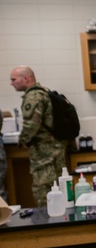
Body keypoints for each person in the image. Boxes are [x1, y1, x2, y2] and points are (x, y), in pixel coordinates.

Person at [10, 66, 68, 206]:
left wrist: (22, 141)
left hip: (44, 152)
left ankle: (48, 224)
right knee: (58, 189)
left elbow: (31, 125)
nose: (11, 83)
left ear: (25, 78)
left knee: (44, 191)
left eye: (13, 79)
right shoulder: (43, 92)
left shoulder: (33, 96)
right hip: (54, 148)